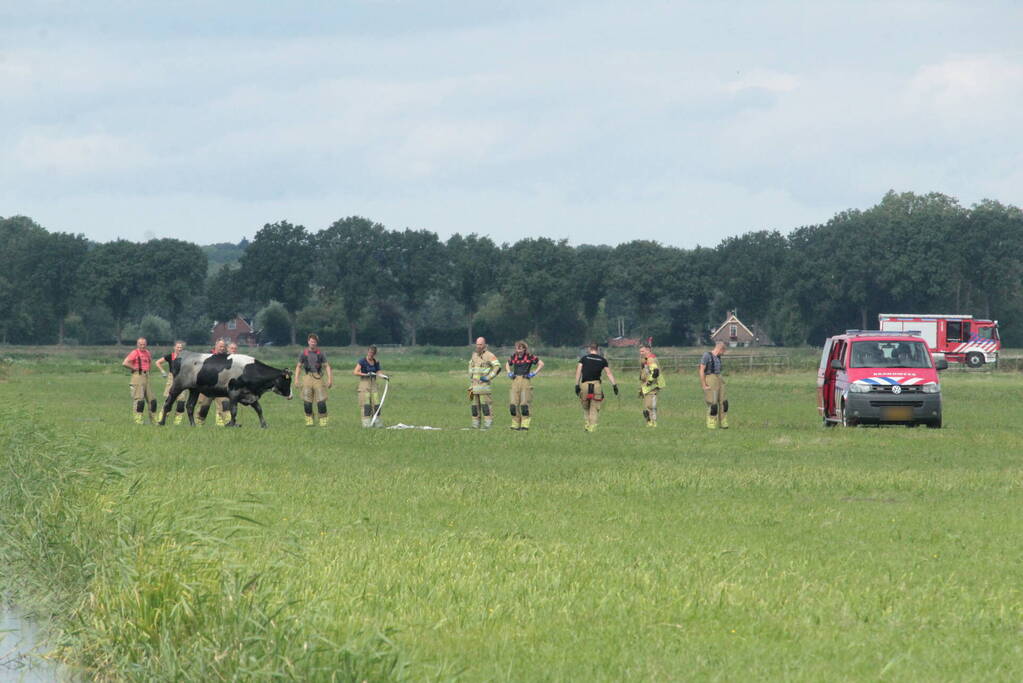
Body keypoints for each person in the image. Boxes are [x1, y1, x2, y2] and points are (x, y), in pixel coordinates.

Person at [575, 342, 618, 433]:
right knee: (594, 407)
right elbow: (609, 373)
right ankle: (592, 427)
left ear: (589, 349)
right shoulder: (602, 360)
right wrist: (614, 385)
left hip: (585, 385)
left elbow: (578, 372)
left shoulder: (584, 359)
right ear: (598, 349)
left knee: (585, 406)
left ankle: (587, 425)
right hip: (596, 386)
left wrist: (576, 385)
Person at [294, 333, 332, 427]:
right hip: (307, 377)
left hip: (318, 377)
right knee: (307, 401)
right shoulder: (304, 353)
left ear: (316, 343)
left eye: (314, 342)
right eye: (311, 341)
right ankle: (309, 420)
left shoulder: (321, 353)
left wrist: (330, 379)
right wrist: (296, 379)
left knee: (321, 401)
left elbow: (327, 366)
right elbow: (298, 366)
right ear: (308, 342)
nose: (313, 343)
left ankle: (323, 421)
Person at [506, 340, 544, 431]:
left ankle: (525, 425)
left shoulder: (529, 356)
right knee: (513, 404)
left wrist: (534, 373)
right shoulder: (514, 356)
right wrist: (509, 372)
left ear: (524, 349)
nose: (518, 350)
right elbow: (507, 364)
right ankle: (515, 425)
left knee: (524, 404)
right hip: (515, 380)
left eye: (520, 349)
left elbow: (541, 364)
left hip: (525, 380)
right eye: (517, 348)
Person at [122, 336, 158, 425]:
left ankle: (154, 419)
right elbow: (125, 363)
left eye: (144, 344)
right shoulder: (134, 352)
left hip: (146, 377)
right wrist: (134, 368)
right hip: (137, 376)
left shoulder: (147, 352)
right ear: (137, 344)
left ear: (146, 344)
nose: (142, 346)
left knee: (152, 400)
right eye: (141, 344)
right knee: (139, 400)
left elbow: (150, 362)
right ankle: (138, 420)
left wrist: (148, 372)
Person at [468, 336, 501, 429]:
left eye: (480, 344)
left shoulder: (489, 355)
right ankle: (475, 426)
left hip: (484, 387)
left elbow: (498, 367)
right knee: (474, 408)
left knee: (486, 407)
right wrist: (471, 380)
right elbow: (471, 366)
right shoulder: (474, 355)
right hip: (474, 386)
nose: (478, 346)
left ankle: (487, 426)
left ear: (484, 345)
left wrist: (489, 377)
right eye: (477, 344)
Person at [197, 339, 231, 426]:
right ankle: (198, 425)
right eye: (220, 346)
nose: (222, 348)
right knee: (203, 408)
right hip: (207, 387)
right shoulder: (206, 357)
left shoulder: (227, 358)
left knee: (225, 405)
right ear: (216, 346)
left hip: (220, 387)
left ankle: (229, 423)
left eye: (223, 347)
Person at [353, 345, 389, 427]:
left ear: (374, 354)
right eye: (369, 352)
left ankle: (377, 423)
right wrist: (366, 374)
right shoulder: (362, 361)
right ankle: (366, 423)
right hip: (364, 384)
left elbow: (378, 372)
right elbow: (355, 372)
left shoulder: (376, 362)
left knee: (376, 403)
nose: (370, 354)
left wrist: (384, 376)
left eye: (372, 353)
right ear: (367, 352)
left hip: (373, 384)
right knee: (366, 404)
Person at [155, 340, 188, 425]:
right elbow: (158, 362)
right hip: (172, 379)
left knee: (181, 403)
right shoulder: (170, 356)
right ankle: (161, 419)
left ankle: (177, 422)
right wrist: (163, 371)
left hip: (182, 380)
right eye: (178, 347)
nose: (179, 349)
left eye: (181, 347)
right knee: (169, 400)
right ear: (174, 347)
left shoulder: (185, 357)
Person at [699, 341, 728, 429]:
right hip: (711, 378)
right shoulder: (707, 355)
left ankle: (723, 422)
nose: (723, 354)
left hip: (719, 378)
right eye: (723, 351)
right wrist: (704, 384)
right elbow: (701, 370)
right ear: (720, 349)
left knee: (724, 402)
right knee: (713, 403)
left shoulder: (718, 357)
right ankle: (711, 422)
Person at [638, 344, 665, 428]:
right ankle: (649, 422)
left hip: (653, 385)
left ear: (648, 350)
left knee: (650, 405)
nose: (641, 353)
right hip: (645, 385)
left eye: (642, 351)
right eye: (640, 351)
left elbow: (655, 372)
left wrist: (649, 382)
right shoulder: (644, 359)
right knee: (646, 406)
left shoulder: (650, 359)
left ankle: (653, 422)